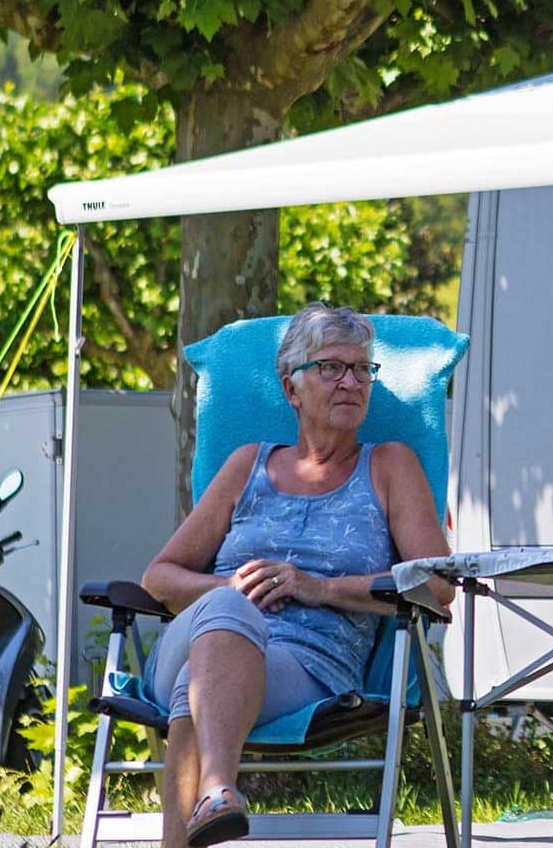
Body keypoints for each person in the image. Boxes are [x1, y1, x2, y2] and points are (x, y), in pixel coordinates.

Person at [140, 304, 455, 848]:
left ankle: (201, 814)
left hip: (310, 670)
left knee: (195, 692)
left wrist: (319, 587)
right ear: (291, 388)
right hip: (192, 640)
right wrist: (230, 591)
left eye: (363, 370)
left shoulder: (390, 466)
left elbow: (436, 584)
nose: (351, 382)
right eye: (331, 367)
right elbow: (159, 577)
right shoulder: (247, 464)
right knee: (225, 613)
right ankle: (217, 788)